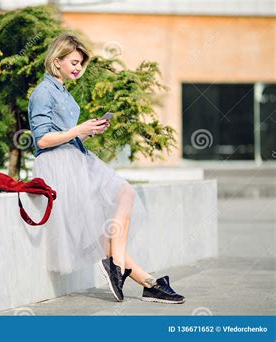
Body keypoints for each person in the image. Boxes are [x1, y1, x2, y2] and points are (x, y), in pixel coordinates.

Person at [28, 33, 185, 304]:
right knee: (107, 222)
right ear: (57, 61)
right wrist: (78, 130)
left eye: (81, 64)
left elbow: (62, 133)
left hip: (75, 157)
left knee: (122, 201)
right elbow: (41, 139)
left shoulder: (61, 91)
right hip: (58, 166)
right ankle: (147, 282)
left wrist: (86, 133)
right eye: (74, 62)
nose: (79, 68)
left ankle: (126, 270)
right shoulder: (42, 93)